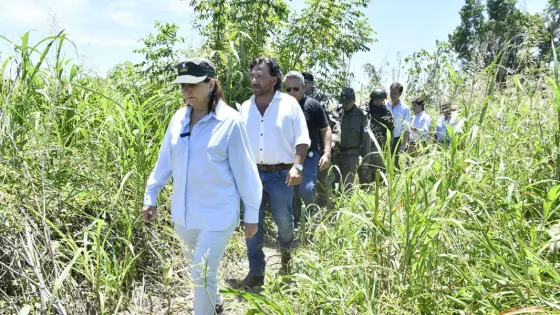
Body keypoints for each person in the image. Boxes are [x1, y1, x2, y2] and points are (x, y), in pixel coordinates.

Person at [142, 58, 262, 315]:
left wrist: (251, 214)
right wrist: (151, 195)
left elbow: (246, 172)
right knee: (199, 269)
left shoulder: (230, 122)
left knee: (201, 271)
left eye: (193, 84)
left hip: (218, 214)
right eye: (183, 85)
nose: (186, 90)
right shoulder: (178, 119)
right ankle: (216, 301)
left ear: (211, 84)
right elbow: (165, 162)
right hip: (185, 216)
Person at [238, 57, 310, 287]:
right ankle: (256, 272)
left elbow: (302, 139)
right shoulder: (246, 107)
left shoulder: (289, 105)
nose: (254, 80)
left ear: (274, 79)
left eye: (260, 76)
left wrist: (297, 166)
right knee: (252, 224)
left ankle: (287, 261)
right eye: (253, 76)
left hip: (282, 176)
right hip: (252, 177)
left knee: (284, 223)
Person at [284, 71, 332, 225]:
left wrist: (327, 153)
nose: (292, 93)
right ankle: (294, 222)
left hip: (310, 156)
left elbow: (326, 130)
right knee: (288, 191)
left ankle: (311, 220)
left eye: (296, 89)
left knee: (308, 189)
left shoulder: (313, 105)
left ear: (304, 87)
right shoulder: (281, 107)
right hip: (288, 156)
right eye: (288, 89)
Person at [302, 72, 338, 208]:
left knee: (324, 179)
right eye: (302, 82)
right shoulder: (296, 99)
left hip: (323, 144)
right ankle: (307, 210)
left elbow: (334, 120)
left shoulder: (324, 100)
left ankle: (329, 207)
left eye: (306, 82)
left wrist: (333, 139)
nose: (304, 85)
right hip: (306, 145)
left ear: (312, 84)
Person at [358, 87, 394, 185]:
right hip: (365, 145)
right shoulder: (364, 110)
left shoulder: (387, 112)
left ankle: (376, 190)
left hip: (379, 146)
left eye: (381, 99)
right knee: (364, 170)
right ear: (372, 98)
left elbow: (391, 130)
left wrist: (389, 147)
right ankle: (365, 189)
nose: (378, 102)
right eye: (376, 99)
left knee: (378, 170)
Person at [337, 87, 371, 190]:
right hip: (336, 153)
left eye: (347, 102)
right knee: (334, 183)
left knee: (347, 184)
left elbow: (366, 138)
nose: (345, 105)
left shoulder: (361, 115)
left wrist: (366, 160)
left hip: (352, 153)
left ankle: (346, 205)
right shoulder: (337, 112)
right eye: (343, 102)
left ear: (353, 100)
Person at [386, 82, 411, 169]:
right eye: (391, 92)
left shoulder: (405, 108)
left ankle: (394, 180)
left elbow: (407, 128)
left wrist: (404, 143)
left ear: (400, 94)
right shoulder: (384, 105)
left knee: (394, 163)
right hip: (383, 138)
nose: (393, 95)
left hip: (396, 140)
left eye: (395, 93)